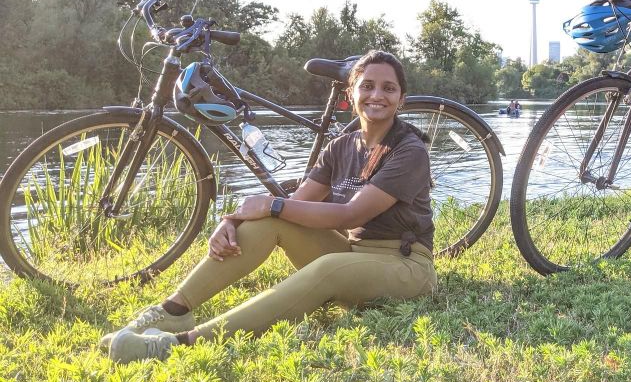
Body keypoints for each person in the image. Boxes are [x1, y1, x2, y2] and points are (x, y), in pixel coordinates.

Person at [102, 50, 436, 362]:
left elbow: (352, 214)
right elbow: (295, 206)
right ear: (351, 94)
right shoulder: (340, 146)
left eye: (388, 88)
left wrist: (270, 204)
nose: (377, 95)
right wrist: (233, 220)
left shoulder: (409, 150)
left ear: (401, 99)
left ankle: (178, 344)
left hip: (406, 267)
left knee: (323, 262)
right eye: (367, 86)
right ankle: (174, 310)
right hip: (355, 255)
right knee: (271, 221)